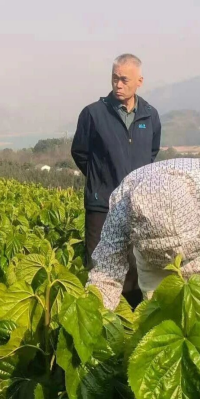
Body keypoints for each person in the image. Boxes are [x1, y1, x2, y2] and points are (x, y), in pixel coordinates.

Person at [87, 159, 200, 374]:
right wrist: (93, 317)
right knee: (159, 334)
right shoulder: (124, 204)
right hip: (154, 266)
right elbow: (107, 271)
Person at [71, 54, 161, 300]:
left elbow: (151, 153)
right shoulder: (93, 114)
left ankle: (130, 317)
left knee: (135, 268)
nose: (118, 85)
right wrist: (100, 177)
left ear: (139, 81)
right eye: (114, 79)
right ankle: (102, 318)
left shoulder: (150, 115)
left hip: (136, 205)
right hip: (102, 205)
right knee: (100, 269)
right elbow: (80, 152)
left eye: (124, 80)